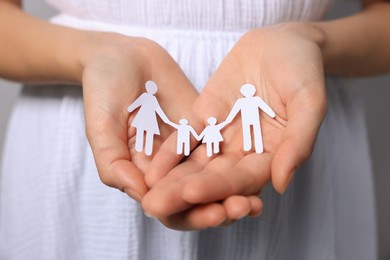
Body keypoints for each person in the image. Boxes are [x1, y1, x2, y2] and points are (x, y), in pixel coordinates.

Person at [0, 0, 389, 259]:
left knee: (244, 140)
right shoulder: (148, 102)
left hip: (286, 113)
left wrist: (314, 40)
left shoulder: (252, 100)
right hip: (84, 129)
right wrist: (92, 54)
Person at [127, 80, 172, 156]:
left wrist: (165, 119)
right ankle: (140, 147)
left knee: (148, 133)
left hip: (149, 117)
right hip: (145, 116)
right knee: (141, 131)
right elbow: (137, 103)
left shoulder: (153, 99)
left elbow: (158, 109)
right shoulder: (145, 96)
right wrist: (130, 108)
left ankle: (147, 149)